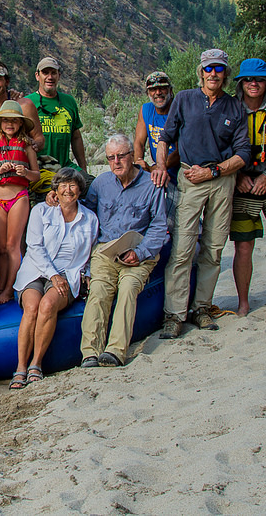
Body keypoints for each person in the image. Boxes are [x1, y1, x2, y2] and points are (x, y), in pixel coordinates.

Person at [153, 49, 250, 339]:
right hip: (189, 177)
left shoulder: (235, 107)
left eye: (219, 69)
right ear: (201, 72)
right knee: (182, 248)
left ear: (225, 73)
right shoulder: (184, 99)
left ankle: (202, 308)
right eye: (208, 69)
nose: (213, 74)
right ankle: (174, 314)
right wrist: (160, 166)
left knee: (213, 247)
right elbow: (166, 138)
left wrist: (215, 172)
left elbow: (243, 152)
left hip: (221, 180)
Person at [79, 135, 168, 367]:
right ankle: (89, 352)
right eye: (111, 157)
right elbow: (86, 216)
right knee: (98, 290)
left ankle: (116, 351)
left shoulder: (152, 184)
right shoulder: (101, 183)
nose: (116, 161)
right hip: (106, 251)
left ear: (132, 156)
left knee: (128, 288)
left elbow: (159, 226)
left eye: (121, 156)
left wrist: (140, 252)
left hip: (139, 252)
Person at [10, 168, 97, 389]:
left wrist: (86, 275)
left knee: (48, 305)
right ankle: (20, 367)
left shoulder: (90, 219)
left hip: (68, 274)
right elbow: (34, 247)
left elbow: (91, 252)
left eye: (73, 185)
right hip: (36, 270)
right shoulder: (41, 211)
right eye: (63, 185)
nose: (68, 190)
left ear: (80, 189)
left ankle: (36, 364)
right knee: (32, 306)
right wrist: (53, 275)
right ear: (55, 190)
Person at [229, 58, 266, 316]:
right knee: (243, 246)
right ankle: (243, 302)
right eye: (249, 79)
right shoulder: (230, 107)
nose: (254, 84)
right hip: (242, 185)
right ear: (241, 82)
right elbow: (222, 145)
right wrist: (237, 175)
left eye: (260, 79)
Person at [0, 100, 40, 304]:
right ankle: (0, 287)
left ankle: (10, 289)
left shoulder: (27, 145)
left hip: (19, 198)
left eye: (14, 121)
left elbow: (36, 176)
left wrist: (26, 172)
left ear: (21, 124)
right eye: (6, 120)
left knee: (13, 246)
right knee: (1, 246)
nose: (9, 124)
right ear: (0, 123)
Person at [26, 56, 87, 171]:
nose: (50, 77)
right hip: (37, 169)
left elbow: (76, 137)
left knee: (91, 185)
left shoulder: (69, 101)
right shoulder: (27, 102)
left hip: (65, 167)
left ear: (59, 75)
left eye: (53, 73)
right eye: (45, 73)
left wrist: (83, 168)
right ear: (37, 76)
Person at [134, 71, 179, 179]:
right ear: (148, 93)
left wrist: (158, 167)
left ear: (170, 90)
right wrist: (138, 162)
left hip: (179, 171)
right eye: (153, 89)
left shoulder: (179, 110)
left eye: (162, 88)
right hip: (157, 171)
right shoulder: (146, 110)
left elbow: (181, 151)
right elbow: (139, 141)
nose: (158, 92)